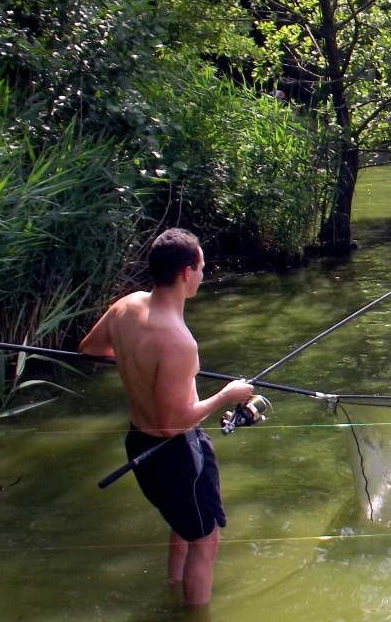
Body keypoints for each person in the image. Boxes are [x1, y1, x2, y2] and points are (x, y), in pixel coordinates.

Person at [80, 227, 253, 608]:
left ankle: (174, 586)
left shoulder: (126, 306)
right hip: (175, 453)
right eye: (203, 267)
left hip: (137, 443)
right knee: (206, 543)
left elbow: (89, 350)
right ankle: (193, 614)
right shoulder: (178, 341)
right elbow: (172, 424)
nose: (204, 275)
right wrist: (226, 396)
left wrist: (135, 364)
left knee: (182, 525)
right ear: (186, 272)